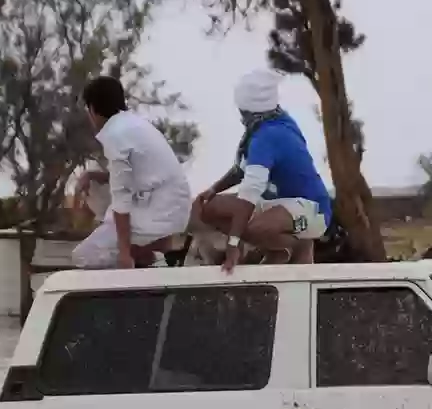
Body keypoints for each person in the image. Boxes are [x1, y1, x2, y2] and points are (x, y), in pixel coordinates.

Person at [192, 68, 333, 272]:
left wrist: (233, 243)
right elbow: (241, 171)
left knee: (254, 228)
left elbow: (249, 193)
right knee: (207, 207)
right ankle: (274, 248)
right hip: (276, 203)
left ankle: (296, 245)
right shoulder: (275, 119)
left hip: (312, 209)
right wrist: (213, 190)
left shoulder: (267, 137)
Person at [71, 76, 192, 269]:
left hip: (160, 210)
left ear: (93, 110)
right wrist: (91, 175)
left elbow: (121, 199)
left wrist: (125, 254)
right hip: (171, 205)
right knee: (95, 186)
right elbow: (130, 177)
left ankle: (156, 261)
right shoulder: (132, 124)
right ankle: (150, 254)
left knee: (83, 257)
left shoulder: (115, 135)